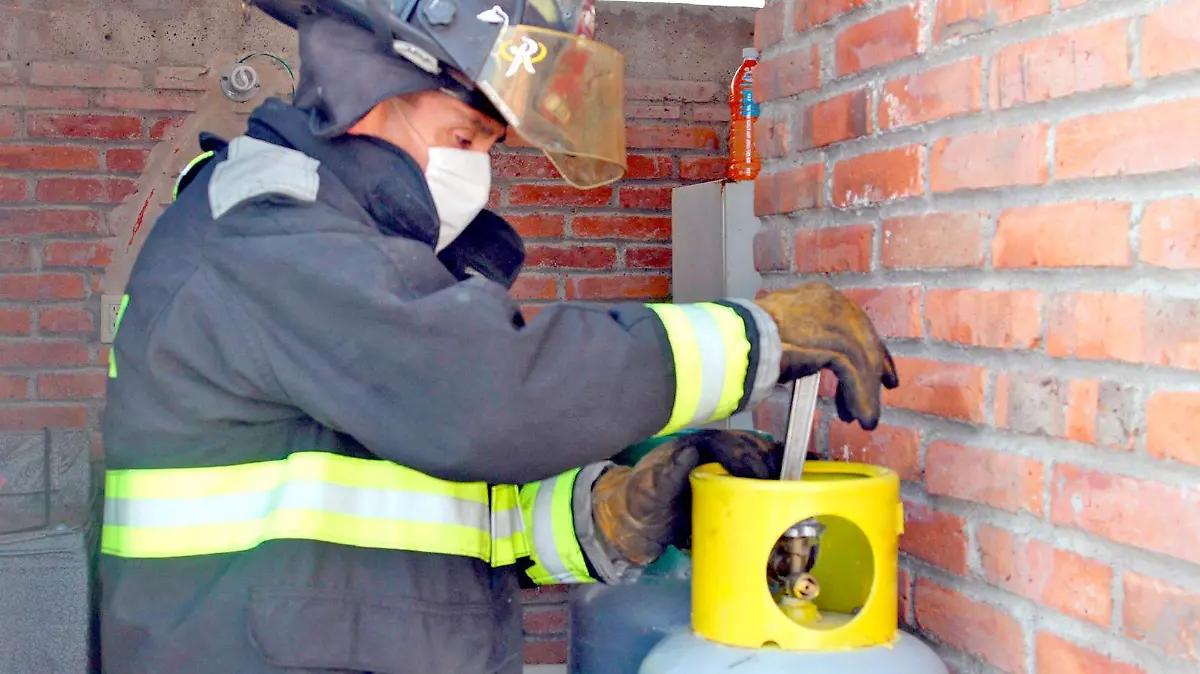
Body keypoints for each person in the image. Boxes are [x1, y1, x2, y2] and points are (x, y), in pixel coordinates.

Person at [97, 0, 899, 672]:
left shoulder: (357, 256)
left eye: (490, 146)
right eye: (464, 136)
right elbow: (485, 400)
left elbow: (426, 522)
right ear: (370, 98)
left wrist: (610, 513)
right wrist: (750, 340)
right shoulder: (267, 230)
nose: (478, 170)